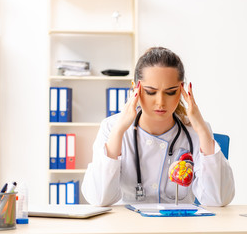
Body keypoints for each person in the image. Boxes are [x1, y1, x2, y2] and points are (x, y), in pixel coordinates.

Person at [82, 47, 235, 206]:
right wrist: (119, 131)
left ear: (182, 89)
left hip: (179, 226)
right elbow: (98, 198)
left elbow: (218, 199)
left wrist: (202, 130)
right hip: (127, 227)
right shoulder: (111, 127)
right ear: (136, 88)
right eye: (150, 92)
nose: (160, 102)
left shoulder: (195, 131)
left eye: (170, 92)